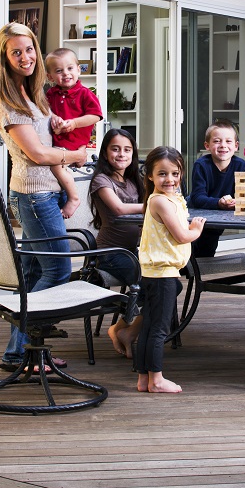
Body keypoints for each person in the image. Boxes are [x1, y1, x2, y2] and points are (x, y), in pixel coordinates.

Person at [0, 23, 87, 372]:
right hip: (35, 195)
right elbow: (38, 155)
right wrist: (74, 156)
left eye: (29, 49)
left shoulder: (31, 94)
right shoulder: (8, 102)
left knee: (32, 276)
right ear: (5, 58)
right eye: (16, 52)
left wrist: (56, 123)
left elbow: (44, 136)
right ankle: (29, 349)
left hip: (37, 193)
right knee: (58, 270)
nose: (26, 57)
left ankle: (19, 354)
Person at [137, 146, 206, 393]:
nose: (170, 179)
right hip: (162, 274)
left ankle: (144, 379)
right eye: (163, 174)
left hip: (157, 273)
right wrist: (196, 230)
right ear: (150, 176)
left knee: (148, 326)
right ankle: (157, 379)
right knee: (158, 330)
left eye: (175, 173)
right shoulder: (160, 202)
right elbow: (181, 235)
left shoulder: (169, 199)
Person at [89, 128, 145, 358]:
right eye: (115, 149)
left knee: (170, 282)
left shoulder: (133, 180)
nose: (121, 154)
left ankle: (124, 328)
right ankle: (126, 330)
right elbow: (119, 209)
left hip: (134, 251)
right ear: (105, 152)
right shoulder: (101, 181)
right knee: (153, 283)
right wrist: (158, 204)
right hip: (110, 254)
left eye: (127, 149)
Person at [188, 119, 245, 257]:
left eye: (228, 141)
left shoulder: (240, 165)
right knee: (193, 253)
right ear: (207, 145)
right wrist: (218, 203)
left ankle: (202, 275)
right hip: (196, 216)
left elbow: (243, 195)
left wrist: (236, 202)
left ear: (236, 146)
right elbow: (197, 197)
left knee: (207, 252)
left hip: (219, 217)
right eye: (217, 141)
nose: (223, 145)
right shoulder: (201, 165)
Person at [45, 47, 103, 151]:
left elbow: (95, 116)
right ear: (50, 77)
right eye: (59, 71)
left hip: (75, 145)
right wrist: (54, 117)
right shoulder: (51, 94)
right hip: (52, 143)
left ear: (79, 70)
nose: (66, 73)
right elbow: (44, 110)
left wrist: (75, 123)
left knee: (57, 166)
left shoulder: (85, 93)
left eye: (70, 68)